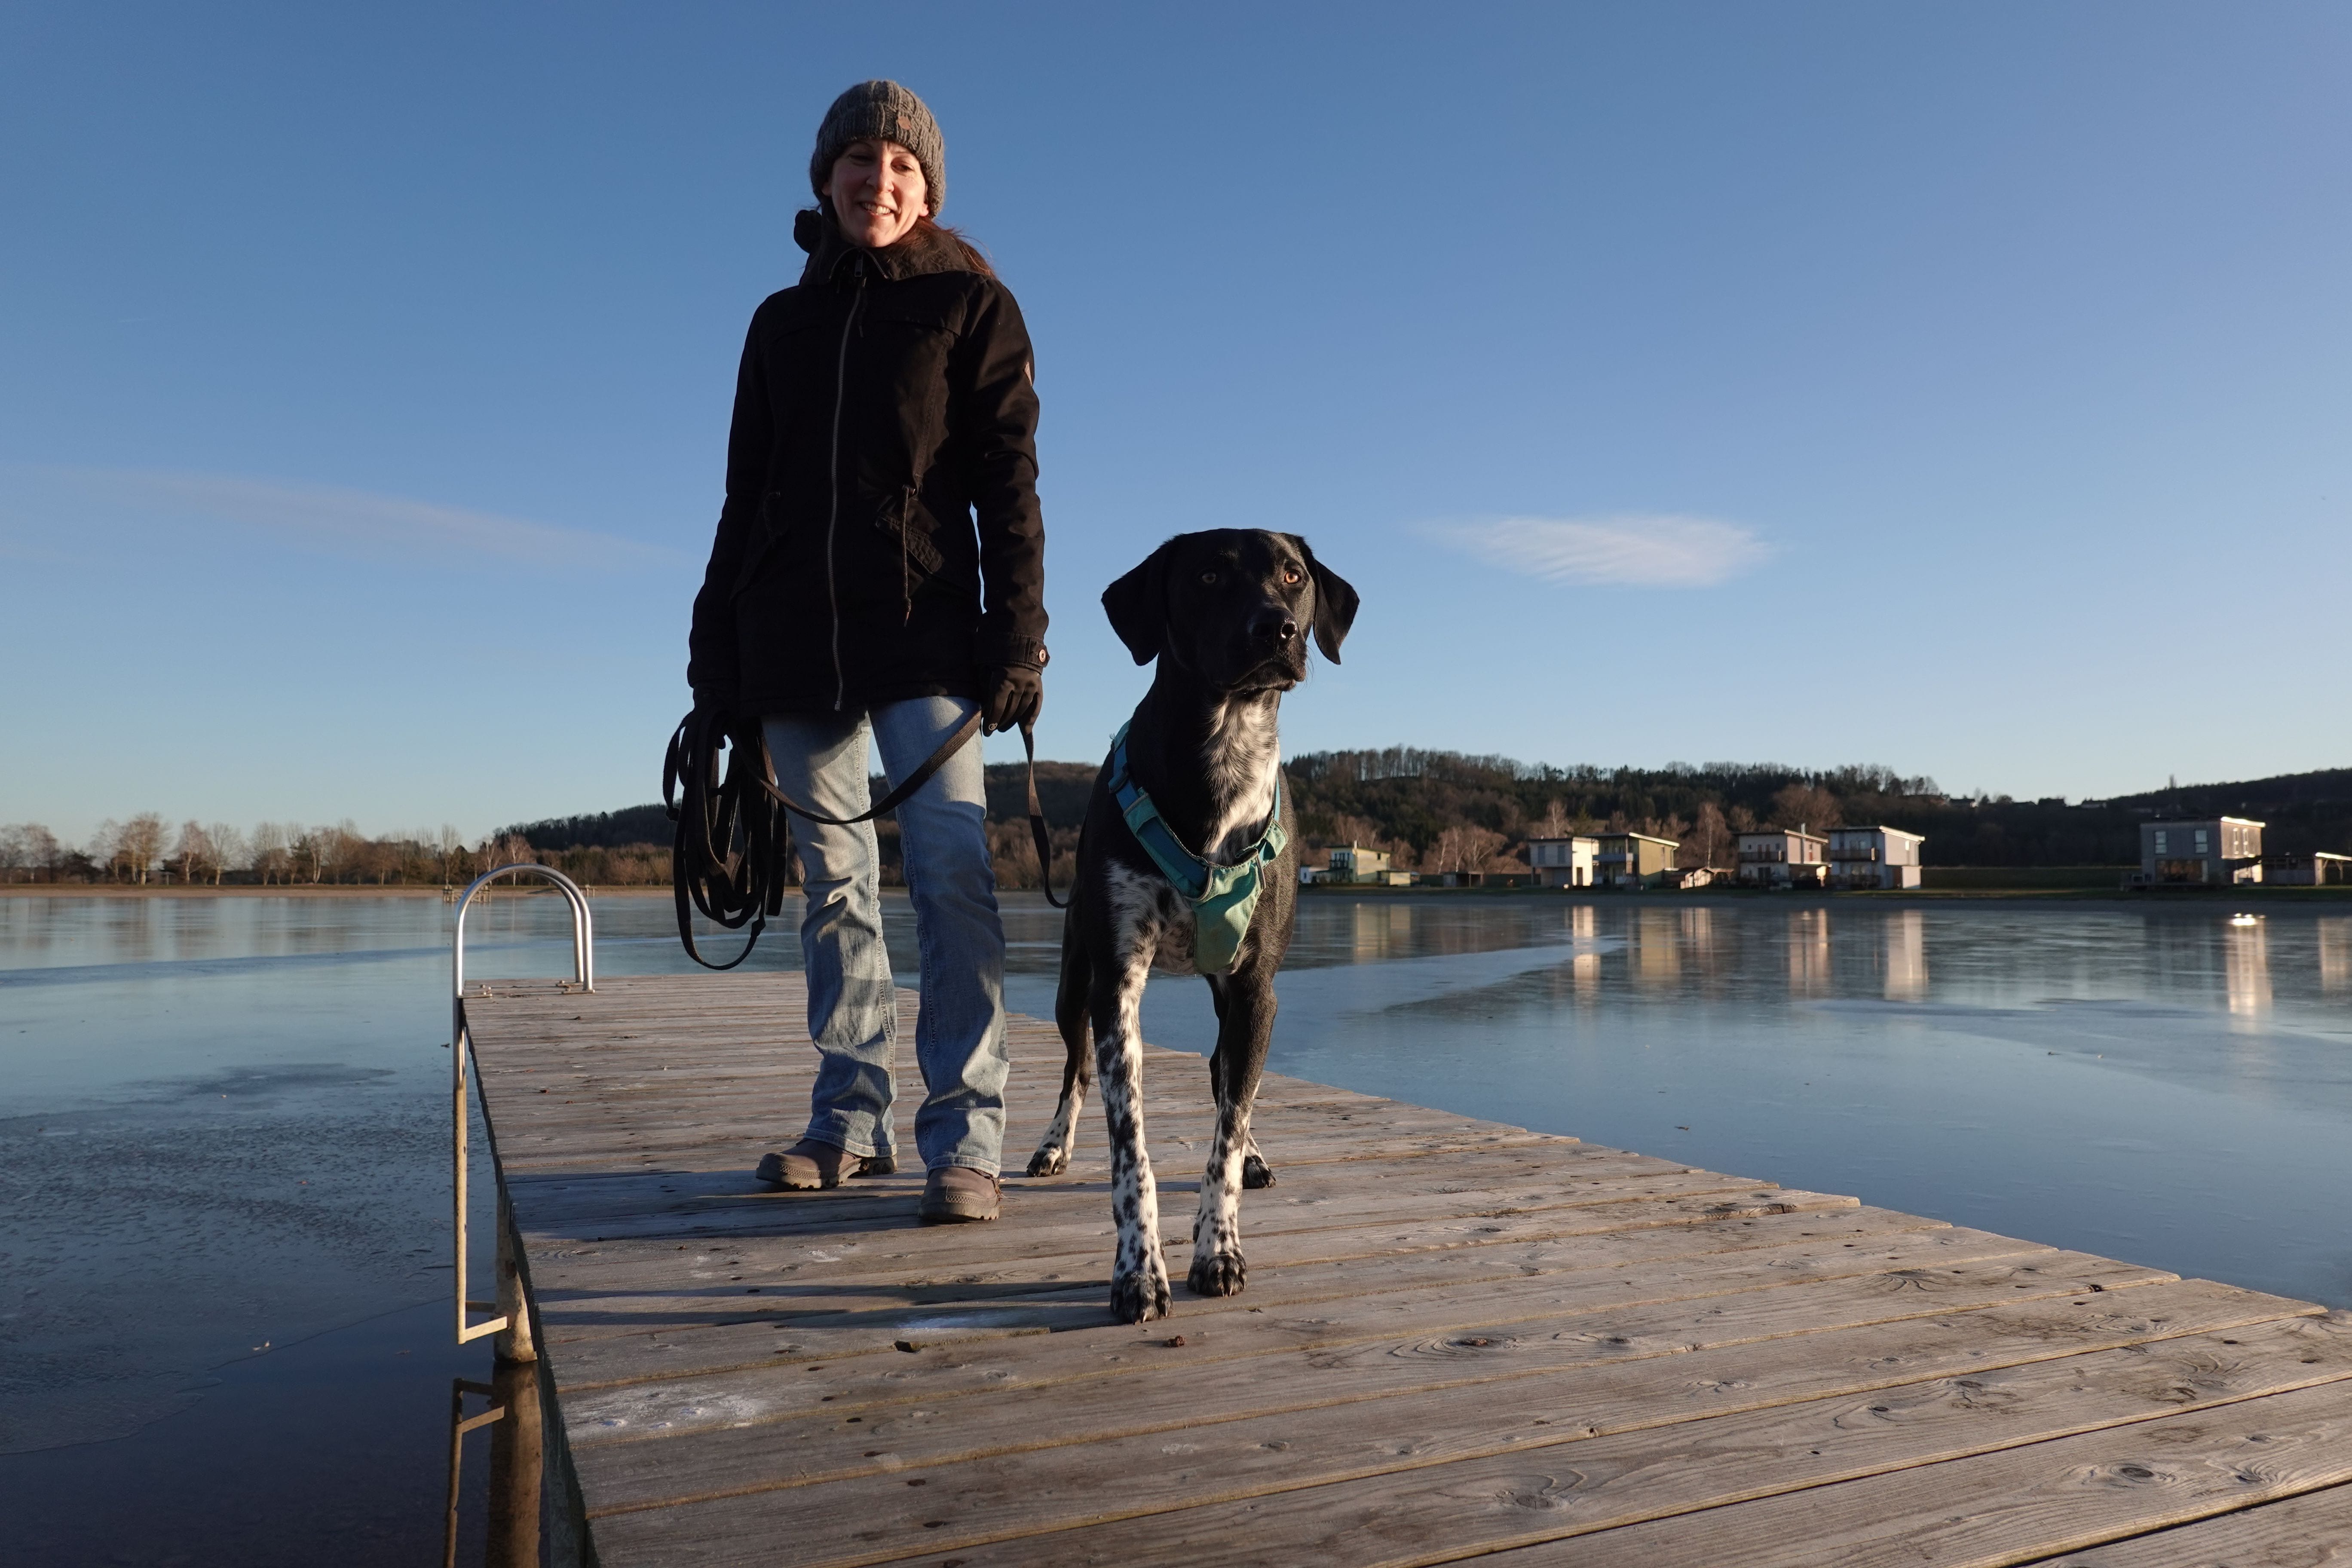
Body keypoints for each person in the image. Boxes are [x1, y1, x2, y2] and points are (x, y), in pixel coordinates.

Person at [687, 80, 1047, 1223]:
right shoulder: (777, 326)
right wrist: (714, 656)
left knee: (949, 873)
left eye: (902, 166)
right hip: (791, 642)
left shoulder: (972, 305)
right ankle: (849, 1119)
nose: (878, 182)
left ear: (927, 188)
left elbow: (1009, 488)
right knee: (834, 887)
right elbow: (745, 497)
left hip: (928, 640)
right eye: (860, 161)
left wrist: (1019, 634)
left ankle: (969, 1138)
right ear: (826, 179)